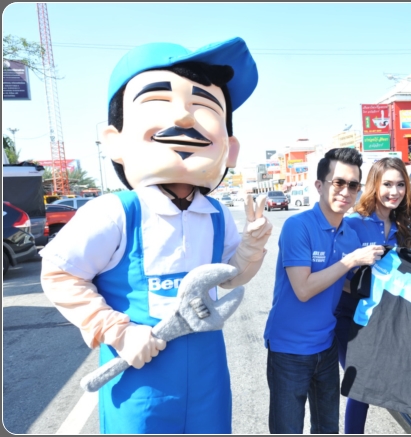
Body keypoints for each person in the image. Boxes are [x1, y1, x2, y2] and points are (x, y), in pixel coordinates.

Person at [40, 38, 272, 434]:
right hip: (138, 378)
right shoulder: (115, 212)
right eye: (159, 101)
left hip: (208, 375)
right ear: (114, 140)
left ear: (230, 148)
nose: (183, 116)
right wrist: (117, 330)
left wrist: (251, 246)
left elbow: (230, 277)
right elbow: (59, 274)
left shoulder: (216, 213)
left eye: (205, 106)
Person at [263, 148, 385, 434]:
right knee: (287, 430)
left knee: (328, 428)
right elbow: (303, 289)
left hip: (326, 346)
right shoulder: (297, 226)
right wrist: (350, 261)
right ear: (319, 185)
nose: (346, 191)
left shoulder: (350, 235)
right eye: (338, 182)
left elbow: (344, 283)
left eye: (353, 185)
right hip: (289, 350)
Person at [334, 157, 411, 434]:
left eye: (400, 185)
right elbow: (337, 276)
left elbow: (406, 271)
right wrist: (366, 281)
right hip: (350, 317)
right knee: (361, 384)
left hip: (384, 318)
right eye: (387, 184)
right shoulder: (353, 224)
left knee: (376, 383)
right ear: (374, 185)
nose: (394, 192)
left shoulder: (402, 225)